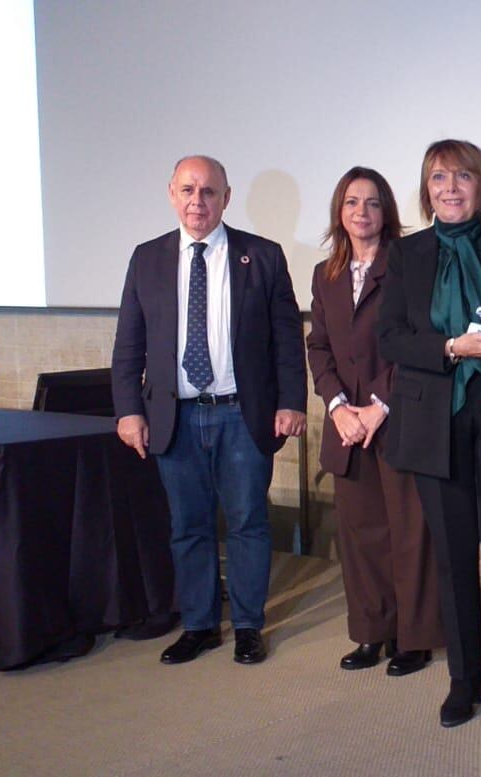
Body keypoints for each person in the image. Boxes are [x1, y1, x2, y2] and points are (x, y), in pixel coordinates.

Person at [377, 140, 481, 729]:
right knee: (452, 561)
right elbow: (391, 339)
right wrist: (451, 346)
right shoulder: (405, 255)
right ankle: (464, 681)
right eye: (439, 177)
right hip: (433, 421)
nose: (450, 187)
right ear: (426, 189)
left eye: (463, 176)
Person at [111, 155, 307, 666]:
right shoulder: (147, 258)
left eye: (209, 192)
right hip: (174, 416)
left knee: (247, 522)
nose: (198, 202)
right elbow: (129, 343)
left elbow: (287, 336)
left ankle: (246, 625)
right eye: (188, 190)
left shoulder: (261, 256)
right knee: (188, 525)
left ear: (227, 197)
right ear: (172, 194)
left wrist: (291, 401)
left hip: (243, 414)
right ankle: (198, 625)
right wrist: (129, 410)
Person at [306, 167, 442, 675]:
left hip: (399, 415)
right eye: (351, 203)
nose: (360, 212)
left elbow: (414, 344)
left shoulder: (408, 265)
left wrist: (378, 406)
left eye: (371, 203)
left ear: (387, 213)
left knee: (411, 532)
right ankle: (371, 632)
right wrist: (338, 407)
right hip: (348, 426)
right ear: (339, 213)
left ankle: (414, 636)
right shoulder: (327, 274)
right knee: (361, 535)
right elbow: (318, 346)